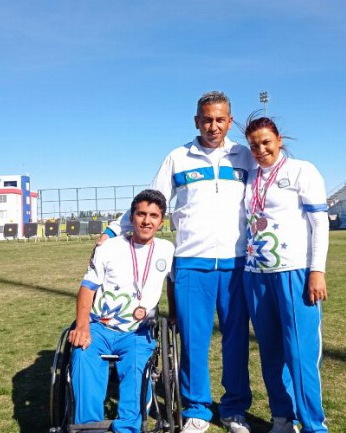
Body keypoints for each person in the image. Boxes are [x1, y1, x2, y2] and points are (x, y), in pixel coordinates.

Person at [100, 91, 255, 433]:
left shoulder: (245, 156)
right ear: (196, 121)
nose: (213, 126)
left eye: (220, 119)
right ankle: (197, 408)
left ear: (230, 122)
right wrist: (112, 230)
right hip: (190, 264)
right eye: (207, 119)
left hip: (236, 265)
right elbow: (151, 201)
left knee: (236, 340)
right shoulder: (178, 157)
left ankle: (234, 410)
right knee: (193, 341)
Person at [241, 116, 330, 433]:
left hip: (293, 272)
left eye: (266, 142)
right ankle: (282, 417)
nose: (260, 149)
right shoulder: (250, 176)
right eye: (254, 145)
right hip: (255, 274)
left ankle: (314, 425)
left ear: (279, 140)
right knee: (270, 353)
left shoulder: (302, 170)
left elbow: (320, 222)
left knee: (299, 353)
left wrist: (317, 270)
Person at [69, 189, 175, 433]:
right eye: (141, 214)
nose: (146, 221)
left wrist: (174, 314)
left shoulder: (167, 249)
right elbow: (87, 287)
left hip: (138, 331)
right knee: (83, 355)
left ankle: (128, 428)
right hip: (100, 327)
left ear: (161, 221)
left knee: (139, 366)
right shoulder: (110, 247)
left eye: (153, 216)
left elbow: (173, 283)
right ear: (132, 217)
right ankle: (88, 428)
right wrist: (82, 326)